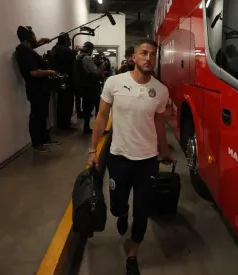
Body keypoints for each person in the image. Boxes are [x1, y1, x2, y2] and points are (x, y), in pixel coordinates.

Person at [87, 39, 174, 275]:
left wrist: (165, 151)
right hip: (119, 158)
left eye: (153, 55)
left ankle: (133, 253)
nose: (148, 58)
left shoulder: (161, 90)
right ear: (133, 57)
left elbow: (159, 124)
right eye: (144, 53)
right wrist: (93, 151)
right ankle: (122, 213)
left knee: (143, 209)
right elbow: (102, 116)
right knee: (117, 206)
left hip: (147, 161)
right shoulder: (114, 82)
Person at [15, 26, 61, 152]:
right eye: (33, 37)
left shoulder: (26, 49)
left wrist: (41, 40)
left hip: (41, 88)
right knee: (37, 116)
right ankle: (37, 143)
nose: (35, 38)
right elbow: (34, 72)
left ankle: (45, 139)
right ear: (26, 39)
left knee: (42, 114)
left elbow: (32, 47)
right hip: (36, 89)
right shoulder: (24, 52)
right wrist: (50, 72)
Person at [73, 42, 104, 134]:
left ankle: (86, 127)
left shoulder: (78, 57)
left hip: (83, 86)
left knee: (87, 107)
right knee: (99, 105)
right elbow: (97, 72)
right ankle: (98, 128)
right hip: (90, 86)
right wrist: (102, 65)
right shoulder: (86, 58)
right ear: (90, 49)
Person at [48, 33, 77, 131]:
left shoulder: (54, 49)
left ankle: (61, 124)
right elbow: (72, 66)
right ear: (65, 40)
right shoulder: (66, 51)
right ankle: (65, 125)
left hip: (57, 80)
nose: (70, 41)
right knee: (67, 103)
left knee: (61, 102)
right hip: (67, 80)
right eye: (69, 39)